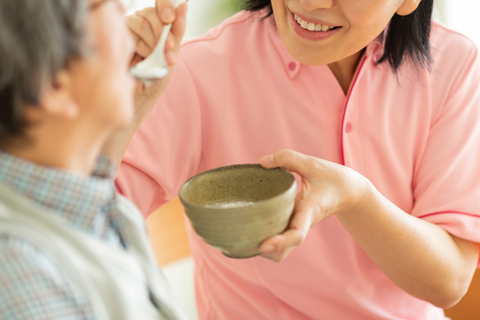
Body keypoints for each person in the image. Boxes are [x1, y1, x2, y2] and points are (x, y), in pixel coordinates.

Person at [110, 0, 480, 319]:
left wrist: (357, 200)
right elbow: (86, 219)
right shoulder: (199, 69)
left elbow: (448, 282)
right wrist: (108, 102)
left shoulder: (456, 66)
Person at [0, 0, 188, 319]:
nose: (127, 10)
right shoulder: (20, 274)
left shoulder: (95, 206)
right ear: (54, 85)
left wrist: (129, 103)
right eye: (109, 6)